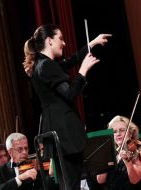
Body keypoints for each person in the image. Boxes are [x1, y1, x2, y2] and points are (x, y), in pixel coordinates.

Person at [22, 24, 112, 189]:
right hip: (64, 133)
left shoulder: (42, 64)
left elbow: (72, 60)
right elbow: (70, 93)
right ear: (49, 41)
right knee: (71, 183)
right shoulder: (46, 66)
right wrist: (83, 70)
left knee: (70, 182)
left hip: (57, 130)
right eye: (60, 39)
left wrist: (92, 43)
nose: (64, 43)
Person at [97, 115, 141, 190]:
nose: (118, 134)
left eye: (122, 130)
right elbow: (100, 180)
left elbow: (135, 180)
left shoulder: (138, 148)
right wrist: (105, 158)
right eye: (114, 132)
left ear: (130, 133)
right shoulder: (112, 153)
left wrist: (128, 163)